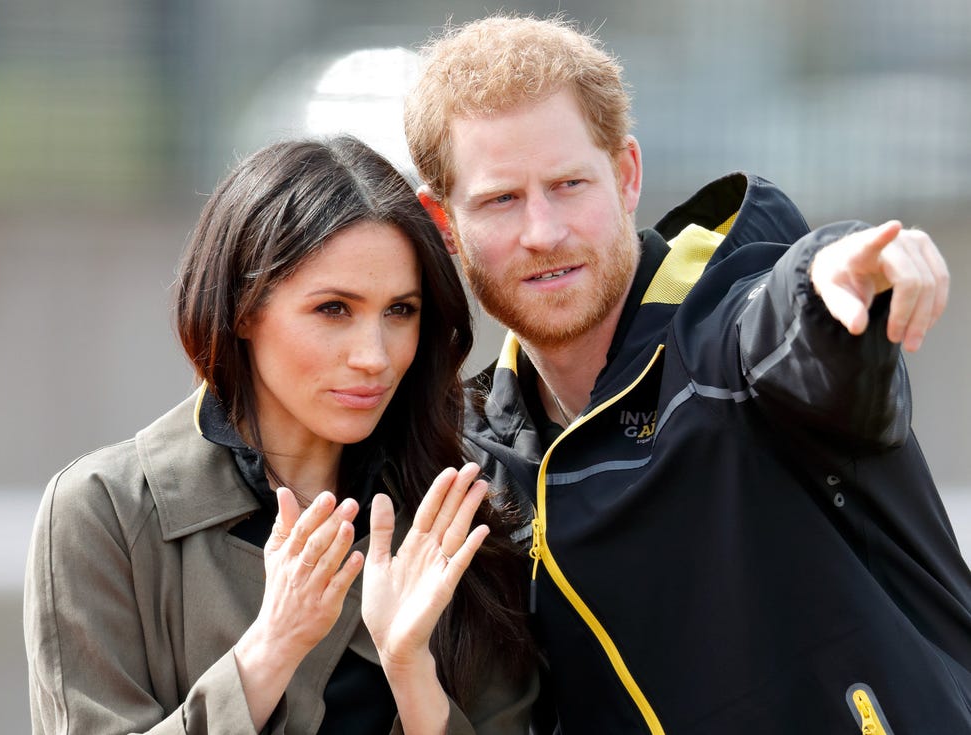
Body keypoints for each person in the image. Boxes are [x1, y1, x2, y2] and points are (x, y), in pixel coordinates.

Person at [404, 13, 971, 734]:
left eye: (569, 183)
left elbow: (785, 321)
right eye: (500, 200)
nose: (543, 232)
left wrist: (830, 275)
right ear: (444, 222)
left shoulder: (725, 335)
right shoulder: (477, 465)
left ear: (626, 175)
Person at [23, 136, 537, 734]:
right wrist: (270, 647)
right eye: (333, 309)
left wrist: (409, 668)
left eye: (400, 311)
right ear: (243, 308)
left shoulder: (455, 505)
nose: (374, 357)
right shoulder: (105, 514)